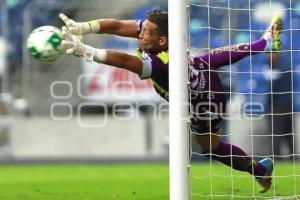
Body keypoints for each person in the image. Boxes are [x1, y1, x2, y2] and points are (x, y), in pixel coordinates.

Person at [59, 10, 283, 193]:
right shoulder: (163, 35)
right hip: (200, 70)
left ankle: (260, 170)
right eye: (142, 29)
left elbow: (125, 61)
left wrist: (86, 50)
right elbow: (117, 26)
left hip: (204, 102)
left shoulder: (160, 65)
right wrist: (84, 27)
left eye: (146, 32)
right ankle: (263, 43)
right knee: (207, 58)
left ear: (162, 40)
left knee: (209, 148)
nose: (140, 35)